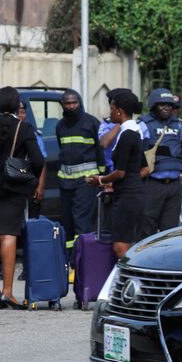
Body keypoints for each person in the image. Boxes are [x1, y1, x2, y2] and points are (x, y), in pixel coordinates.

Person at [0, 87, 45, 309]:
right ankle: (7, 292)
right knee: (8, 235)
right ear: (17, 106)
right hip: (12, 189)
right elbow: (38, 160)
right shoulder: (23, 128)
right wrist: (30, 179)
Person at [85, 92, 147, 258]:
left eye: (111, 108)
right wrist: (112, 183)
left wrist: (100, 179)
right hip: (132, 192)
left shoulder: (128, 134)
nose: (110, 112)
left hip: (128, 196)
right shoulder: (134, 131)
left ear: (119, 111)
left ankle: (130, 274)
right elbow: (144, 168)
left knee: (120, 247)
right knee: (129, 244)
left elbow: (120, 172)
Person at [55, 89, 104, 252]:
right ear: (62, 105)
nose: (71, 106)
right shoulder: (60, 126)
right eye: (67, 103)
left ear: (79, 103)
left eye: (74, 103)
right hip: (65, 182)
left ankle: (84, 258)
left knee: (81, 221)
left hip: (86, 181)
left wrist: (101, 177)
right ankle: (70, 258)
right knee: (67, 221)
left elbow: (101, 151)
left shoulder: (92, 123)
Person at [140, 88, 182, 235]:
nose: (167, 108)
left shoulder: (178, 125)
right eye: (162, 104)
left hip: (174, 186)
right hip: (152, 185)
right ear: (153, 105)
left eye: (169, 105)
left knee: (170, 232)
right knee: (147, 230)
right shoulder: (144, 125)